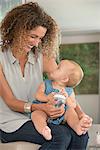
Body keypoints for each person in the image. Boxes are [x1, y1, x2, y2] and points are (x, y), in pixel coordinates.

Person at [0, 2, 92, 150]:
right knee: (61, 135)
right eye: (33, 36)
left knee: (81, 134)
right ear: (18, 30)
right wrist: (41, 107)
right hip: (10, 123)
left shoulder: (41, 57)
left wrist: (80, 114)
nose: (37, 43)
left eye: (40, 38)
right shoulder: (1, 58)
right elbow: (10, 102)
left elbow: (64, 85)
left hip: (40, 117)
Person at [31, 59, 92, 140]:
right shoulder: (46, 83)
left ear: (64, 79)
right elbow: (38, 95)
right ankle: (44, 130)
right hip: (44, 110)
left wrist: (67, 98)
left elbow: (73, 105)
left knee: (70, 112)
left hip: (62, 115)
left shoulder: (69, 90)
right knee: (36, 114)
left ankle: (77, 127)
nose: (54, 67)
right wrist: (47, 98)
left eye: (58, 68)